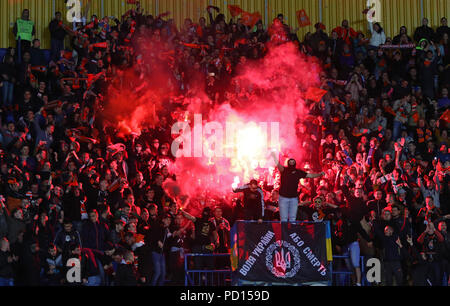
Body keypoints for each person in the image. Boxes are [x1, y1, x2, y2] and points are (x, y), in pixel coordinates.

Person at [271, 151, 325, 222]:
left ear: (295, 163)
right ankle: (284, 231)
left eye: (293, 161)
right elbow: (278, 165)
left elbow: (310, 175)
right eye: (290, 161)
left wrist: (319, 174)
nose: (291, 162)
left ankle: (292, 230)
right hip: (283, 197)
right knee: (283, 218)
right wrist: (274, 157)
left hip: (293, 197)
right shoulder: (284, 170)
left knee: (293, 217)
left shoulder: (298, 172)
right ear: (288, 163)